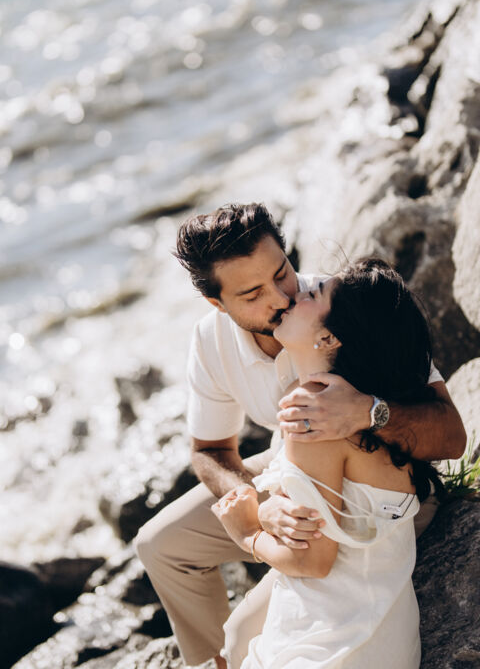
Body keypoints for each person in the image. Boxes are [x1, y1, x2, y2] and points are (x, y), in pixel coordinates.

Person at [135, 203, 465, 669]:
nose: (281, 298)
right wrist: (259, 505)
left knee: (245, 631)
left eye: (282, 273)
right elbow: (210, 451)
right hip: (291, 474)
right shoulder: (212, 340)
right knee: (159, 545)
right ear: (218, 303)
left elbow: (451, 435)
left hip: (371, 499)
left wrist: (368, 411)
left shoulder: (344, 306)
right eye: (253, 293)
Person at [213, 258, 444, 668]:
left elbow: (312, 562)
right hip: (384, 630)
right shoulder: (364, 402)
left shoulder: (313, 419)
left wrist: (247, 533)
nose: (295, 294)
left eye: (314, 294)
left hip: (333, 644)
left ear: (328, 338)